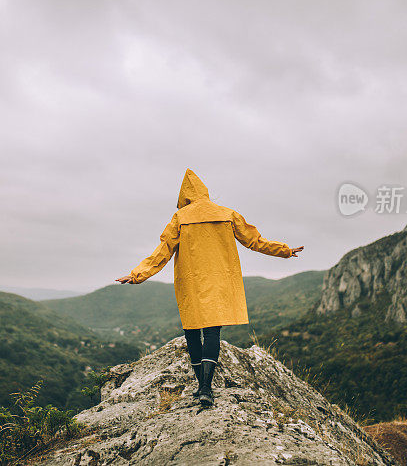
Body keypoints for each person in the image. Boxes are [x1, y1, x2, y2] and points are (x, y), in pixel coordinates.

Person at [116, 168, 303, 407]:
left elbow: (162, 252)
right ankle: (206, 387)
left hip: (191, 281)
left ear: (185, 196)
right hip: (219, 280)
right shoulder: (227, 214)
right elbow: (254, 241)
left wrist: (137, 275)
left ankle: (202, 387)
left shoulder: (180, 218)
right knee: (213, 333)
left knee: (192, 332)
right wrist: (285, 250)